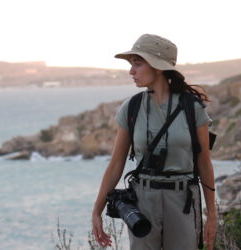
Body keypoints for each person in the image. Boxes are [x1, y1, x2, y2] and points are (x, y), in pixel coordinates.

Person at [91, 34, 217, 250]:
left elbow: (204, 162)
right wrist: (97, 211)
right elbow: (115, 164)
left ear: (158, 67)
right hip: (143, 200)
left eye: (137, 64)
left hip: (183, 200)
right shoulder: (131, 108)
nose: (131, 71)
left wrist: (212, 215)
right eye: (132, 64)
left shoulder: (193, 108)